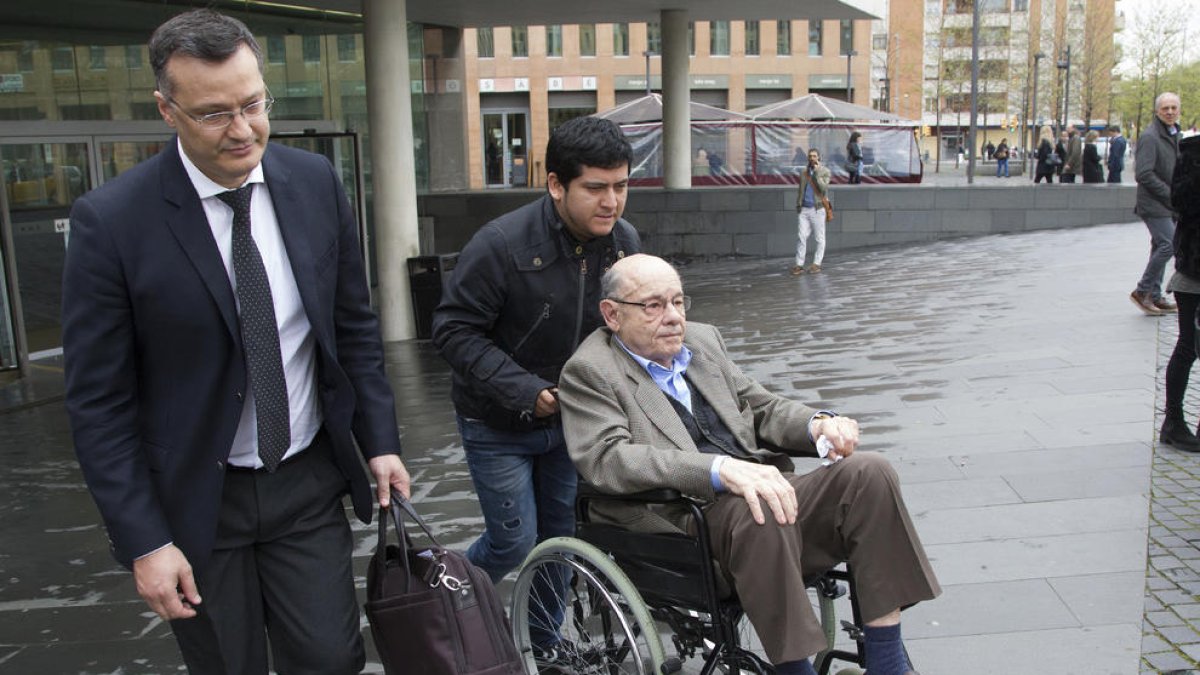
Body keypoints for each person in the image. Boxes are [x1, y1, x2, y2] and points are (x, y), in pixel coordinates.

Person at [60, 10, 410, 674]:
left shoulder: (313, 184)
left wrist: (381, 438)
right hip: (198, 500)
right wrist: (144, 542)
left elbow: (352, 329)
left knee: (332, 657)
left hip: (304, 478)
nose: (243, 128)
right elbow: (99, 404)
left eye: (253, 104)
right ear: (168, 110)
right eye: (214, 114)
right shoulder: (112, 223)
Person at [558, 254, 940, 675]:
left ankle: (888, 664)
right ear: (612, 314)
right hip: (680, 517)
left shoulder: (702, 342)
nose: (672, 317)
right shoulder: (590, 370)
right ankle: (796, 669)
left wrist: (819, 425)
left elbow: (759, 408)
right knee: (760, 507)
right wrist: (718, 469)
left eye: (678, 302)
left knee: (869, 473)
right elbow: (608, 458)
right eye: (653, 306)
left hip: (755, 491)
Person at [430, 116, 641, 651]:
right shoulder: (499, 244)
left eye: (620, 186)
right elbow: (452, 330)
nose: (611, 202)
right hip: (497, 421)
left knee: (560, 543)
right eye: (595, 188)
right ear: (556, 185)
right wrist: (526, 391)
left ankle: (544, 646)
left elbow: (631, 324)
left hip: (573, 423)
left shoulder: (623, 243)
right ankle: (441, 601)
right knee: (513, 540)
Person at [1162, 135, 1200, 451]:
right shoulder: (1192, 154)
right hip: (1195, 271)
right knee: (1189, 346)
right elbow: (1180, 203)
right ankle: (1173, 422)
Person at [1131, 92, 1183, 316]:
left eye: (1173, 108)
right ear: (1157, 111)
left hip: (1168, 203)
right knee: (1169, 244)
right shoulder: (1150, 136)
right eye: (1165, 108)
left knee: (1159, 246)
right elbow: (1144, 173)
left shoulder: (1174, 134)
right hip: (1155, 203)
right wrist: (1170, 194)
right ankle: (1142, 291)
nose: (1170, 112)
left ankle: (1154, 294)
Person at [791, 148, 831, 276]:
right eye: (810, 156)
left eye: (814, 156)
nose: (812, 158)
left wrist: (818, 173)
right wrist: (799, 204)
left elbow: (823, 188)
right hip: (804, 209)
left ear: (819, 158)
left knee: (819, 238)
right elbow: (801, 190)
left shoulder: (825, 171)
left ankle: (816, 263)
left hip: (817, 209)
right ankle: (799, 265)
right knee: (801, 236)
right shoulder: (804, 173)